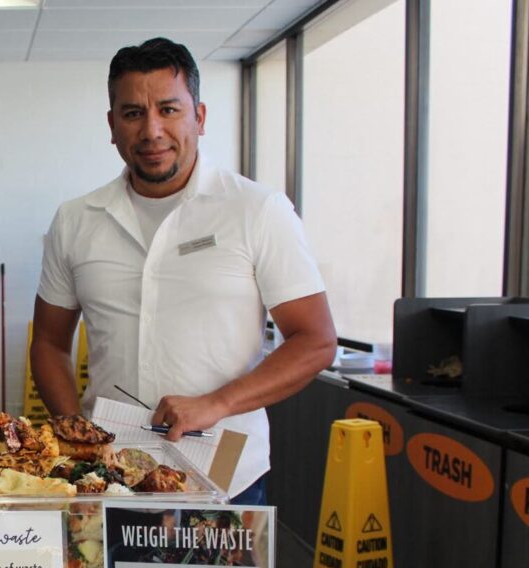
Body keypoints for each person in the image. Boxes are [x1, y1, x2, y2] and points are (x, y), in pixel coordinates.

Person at [30, 38, 336, 504]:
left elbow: (315, 340)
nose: (152, 130)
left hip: (226, 477)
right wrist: (75, 432)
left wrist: (217, 403)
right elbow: (50, 342)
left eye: (169, 109)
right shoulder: (77, 220)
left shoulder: (256, 210)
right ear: (112, 126)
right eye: (132, 113)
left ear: (200, 117)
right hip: (109, 474)